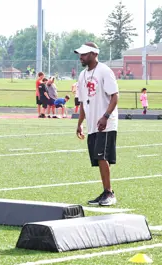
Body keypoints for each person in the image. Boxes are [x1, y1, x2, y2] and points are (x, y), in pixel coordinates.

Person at [75, 42, 119, 206]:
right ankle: (105, 191)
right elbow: (82, 103)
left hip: (106, 123)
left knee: (102, 156)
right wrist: (80, 123)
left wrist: (106, 116)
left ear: (94, 54)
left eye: (84, 54)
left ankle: (109, 193)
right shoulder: (82, 75)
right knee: (97, 159)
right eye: (80, 54)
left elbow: (115, 96)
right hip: (92, 123)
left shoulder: (104, 71)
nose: (81, 57)